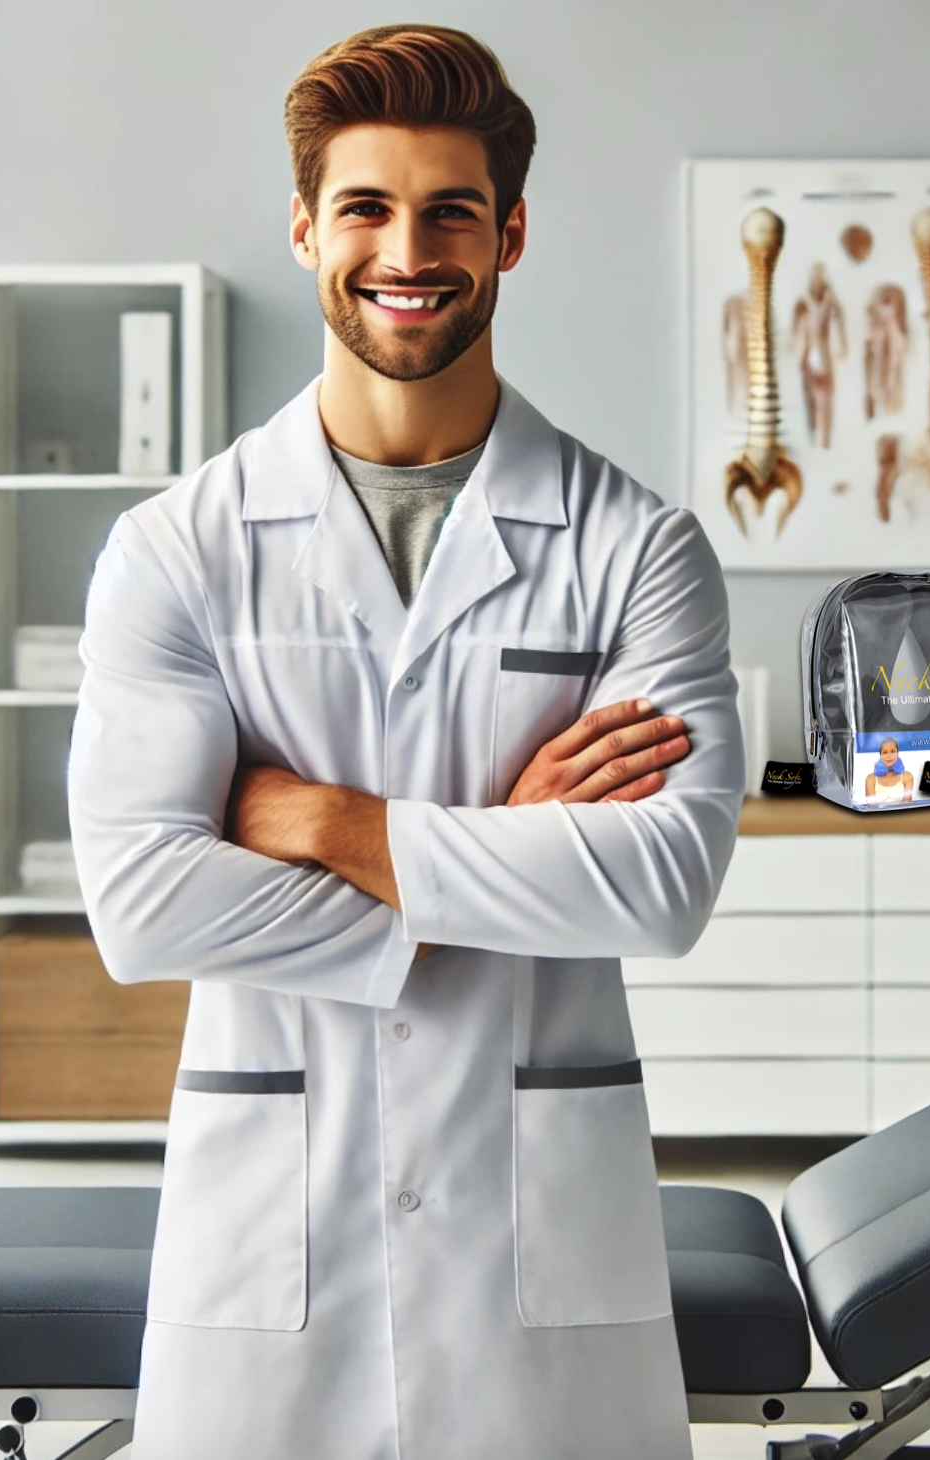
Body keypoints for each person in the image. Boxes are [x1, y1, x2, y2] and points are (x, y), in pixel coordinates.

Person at [66, 23, 744, 1460]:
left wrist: (321, 821)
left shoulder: (638, 549)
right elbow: (139, 904)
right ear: (306, 228)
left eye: (451, 212)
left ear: (510, 237)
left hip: (535, 1224)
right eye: (367, 207)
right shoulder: (178, 549)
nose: (408, 249)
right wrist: (503, 856)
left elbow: (661, 885)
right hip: (275, 1218)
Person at [865, 736, 913, 805]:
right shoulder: (871, 779)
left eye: (892, 751)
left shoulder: (907, 776)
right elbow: (871, 807)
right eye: (885, 752)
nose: (889, 756)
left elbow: (907, 805)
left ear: (897, 753)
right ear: (880, 754)